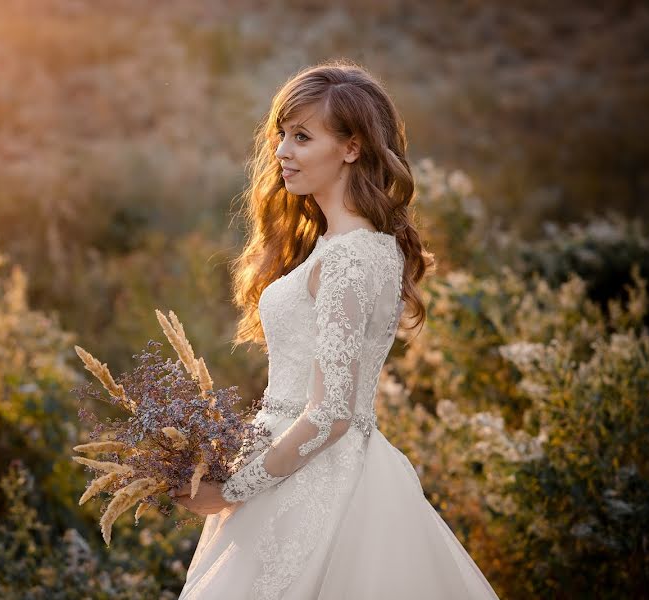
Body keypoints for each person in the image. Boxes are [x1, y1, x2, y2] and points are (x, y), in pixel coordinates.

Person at [168, 59, 501, 599]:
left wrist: (231, 488)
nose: (281, 152)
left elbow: (330, 413)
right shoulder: (359, 248)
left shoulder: (349, 258)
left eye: (302, 136)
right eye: (281, 135)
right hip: (306, 467)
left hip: (310, 481)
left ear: (351, 148)